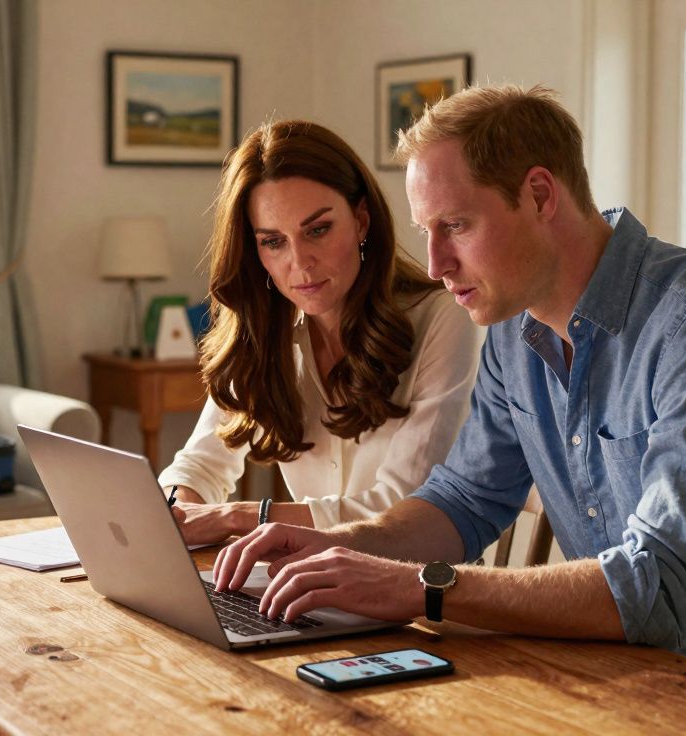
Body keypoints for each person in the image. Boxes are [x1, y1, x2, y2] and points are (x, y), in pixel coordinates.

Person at [212, 85, 686, 704]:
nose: (437, 264)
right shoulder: (515, 329)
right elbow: (465, 503)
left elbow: (663, 588)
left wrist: (418, 587)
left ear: (539, 195)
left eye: (457, 226)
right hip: (622, 677)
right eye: (427, 232)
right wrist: (338, 548)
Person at [158, 120, 481, 546]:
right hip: (305, 584)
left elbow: (404, 507)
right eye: (273, 241)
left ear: (362, 220)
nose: (301, 263)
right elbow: (200, 466)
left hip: (417, 590)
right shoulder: (263, 330)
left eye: (318, 230)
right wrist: (174, 508)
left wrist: (240, 517)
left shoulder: (443, 318)